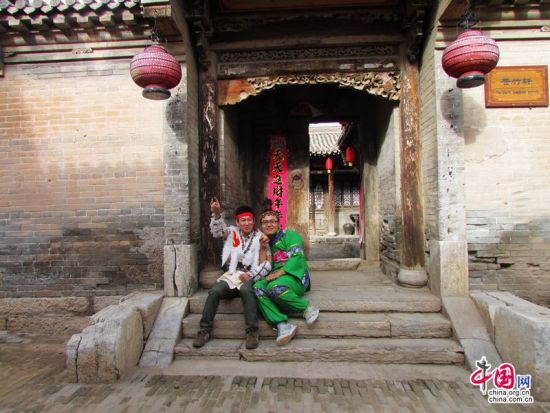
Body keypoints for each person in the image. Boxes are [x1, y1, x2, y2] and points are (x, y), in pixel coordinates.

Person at [193, 198, 272, 350]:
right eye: (243, 220)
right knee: (215, 291)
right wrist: (217, 214)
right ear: (237, 222)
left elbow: (267, 264)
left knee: (246, 290)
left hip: (250, 275)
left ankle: (252, 331)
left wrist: (251, 275)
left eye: (249, 220)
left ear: (253, 221)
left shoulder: (261, 237)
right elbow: (217, 232)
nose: (246, 223)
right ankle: (204, 330)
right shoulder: (232, 232)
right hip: (232, 275)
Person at [254, 208, 319, 346]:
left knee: (274, 287)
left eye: (273, 221)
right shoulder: (262, 240)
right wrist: (263, 248)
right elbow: (262, 265)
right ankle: (282, 325)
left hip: (293, 275)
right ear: (261, 225)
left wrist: (279, 273)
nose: (269, 224)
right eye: (265, 222)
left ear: (279, 223)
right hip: (273, 276)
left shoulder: (290, 236)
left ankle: (307, 308)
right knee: (257, 288)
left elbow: (297, 257)